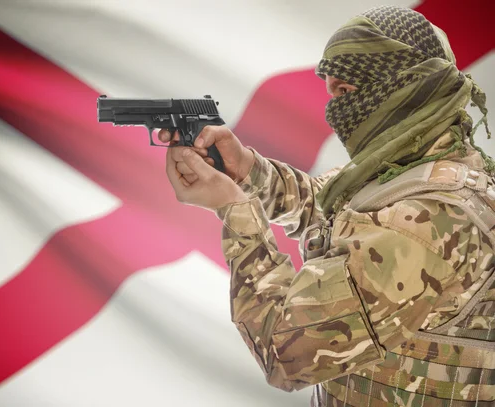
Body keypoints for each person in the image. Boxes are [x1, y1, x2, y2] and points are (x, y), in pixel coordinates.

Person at [160, 5, 494, 407]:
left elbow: (286, 355)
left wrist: (235, 209)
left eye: (347, 92)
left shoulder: (427, 221)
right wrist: (246, 168)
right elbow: (325, 208)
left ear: (404, 85)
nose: (335, 110)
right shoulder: (416, 169)